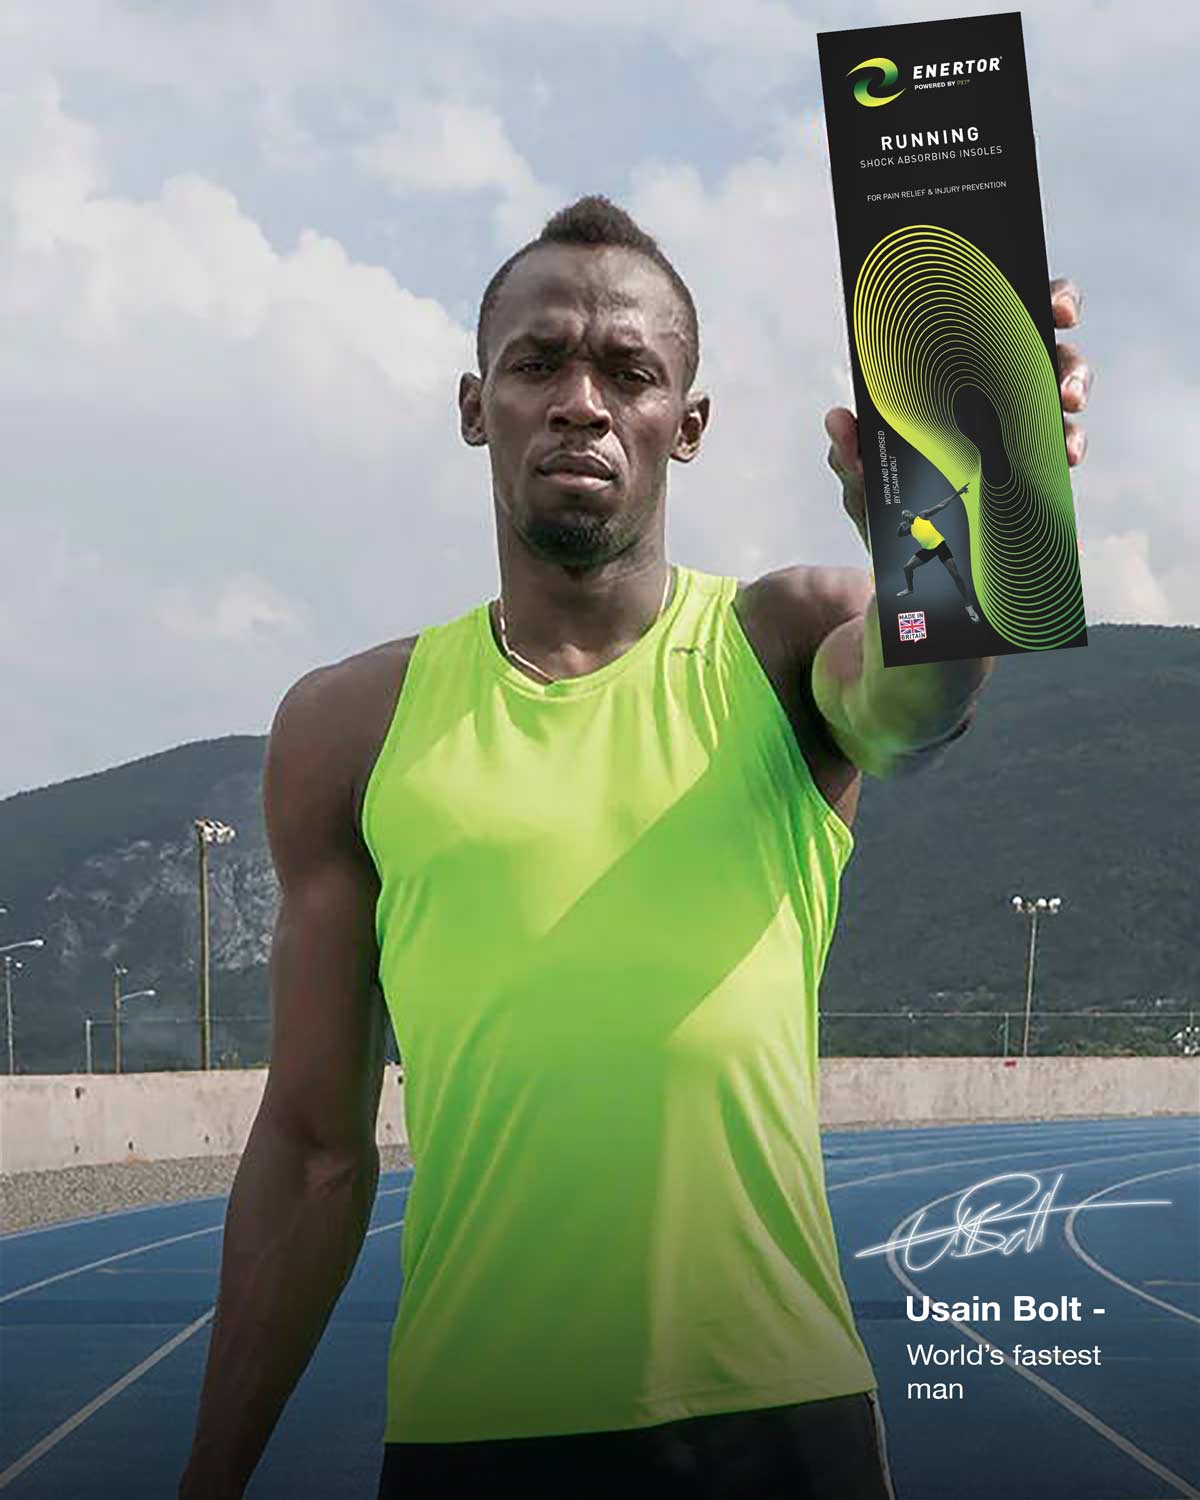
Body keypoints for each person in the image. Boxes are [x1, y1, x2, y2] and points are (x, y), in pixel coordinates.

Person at [178, 195, 1090, 1500]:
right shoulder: (347, 729)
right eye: (538, 361)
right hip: (472, 1435)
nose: (583, 401)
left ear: (691, 422)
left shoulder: (785, 644)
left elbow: (918, 710)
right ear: (473, 404)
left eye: (630, 370)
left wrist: (963, 533)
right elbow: (315, 1148)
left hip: (780, 1431)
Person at [895, 485, 980, 622]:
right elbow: (899, 535)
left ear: (912, 513)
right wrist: (900, 526)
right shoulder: (910, 529)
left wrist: (957, 494)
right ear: (904, 519)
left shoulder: (921, 516)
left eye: (909, 512)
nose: (908, 514)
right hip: (927, 550)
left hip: (940, 545)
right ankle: (910, 589)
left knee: (956, 575)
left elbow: (940, 505)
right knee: (907, 567)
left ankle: (969, 606)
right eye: (905, 514)